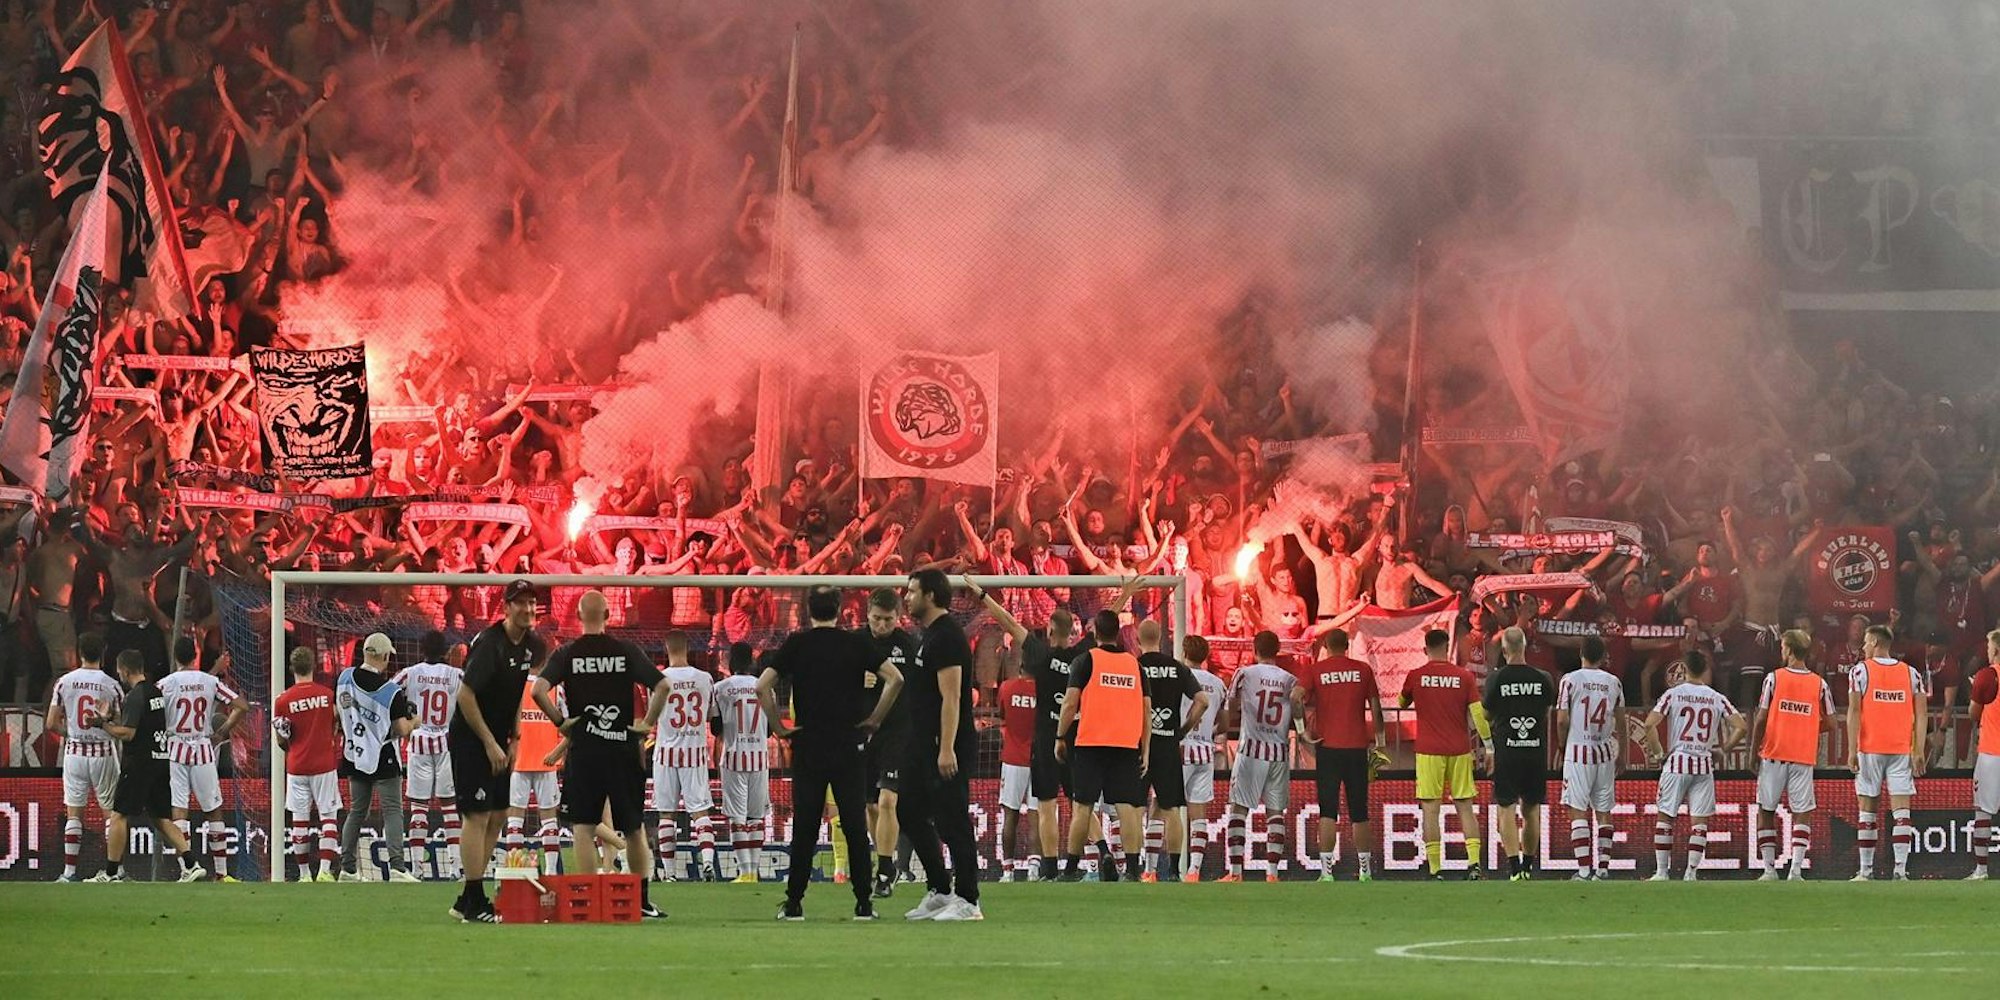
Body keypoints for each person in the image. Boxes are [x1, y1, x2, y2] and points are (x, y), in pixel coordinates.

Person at [759, 585, 903, 921]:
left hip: (809, 746)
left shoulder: (797, 644)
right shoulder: (856, 643)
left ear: (810, 610)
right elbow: (895, 679)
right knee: (853, 824)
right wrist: (874, 720)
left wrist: (778, 726)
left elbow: (761, 685)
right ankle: (864, 904)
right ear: (839, 610)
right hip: (847, 746)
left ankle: (794, 903)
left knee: (806, 826)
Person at [535, 591, 667, 918]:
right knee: (633, 828)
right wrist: (647, 723)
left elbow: (538, 690)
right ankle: (641, 900)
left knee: (583, 825)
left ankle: (587, 899)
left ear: (579, 617)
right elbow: (662, 686)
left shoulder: (567, 653)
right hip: (622, 749)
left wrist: (562, 723)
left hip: (585, 752)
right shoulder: (626, 651)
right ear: (608, 614)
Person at [447, 579, 547, 923]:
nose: (528, 609)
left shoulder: (532, 645)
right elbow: (465, 696)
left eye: (532, 603)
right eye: (520, 603)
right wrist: (490, 742)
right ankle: (475, 898)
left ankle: (467, 896)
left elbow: (517, 691)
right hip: (471, 737)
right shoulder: (491, 644)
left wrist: (515, 738)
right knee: (476, 815)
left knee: (499, 813)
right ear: (505, 607)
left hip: (500, 738)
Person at [897, 570, 983, 920]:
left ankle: (968, 899)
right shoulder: (928, 635)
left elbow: (952, 697)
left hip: (944, 744)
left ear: (930, 595)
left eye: (913, 591)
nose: (907, 597)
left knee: (952, 820)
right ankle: (940, 888)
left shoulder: (947, 636)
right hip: (922, 743)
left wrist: (946, 748)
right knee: (909, 811)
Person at [1055, 609, 1153, 884]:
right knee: (1127, 807)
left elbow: (1070, 701)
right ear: (1118, 633)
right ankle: (1133, 870)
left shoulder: (1085, 660)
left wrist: (1060, 736)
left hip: (1091, 743)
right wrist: (1145, 748)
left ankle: (1071, 869)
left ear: (1095, 632)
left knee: (1083, 806)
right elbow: (1147, 709)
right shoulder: (1135, 665)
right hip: (1125, 743)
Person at [1638, 649, 1743, 881]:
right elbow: (1741, 726)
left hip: (1677, 763)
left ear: (1684, 669)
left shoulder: (1673, 694)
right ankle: (1691, 872)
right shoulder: (1716, 697)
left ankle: (1662, 872)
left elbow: (1648, 725)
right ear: (1705, 670)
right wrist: (1723, 750)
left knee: (1666, 817)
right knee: (1699, 822)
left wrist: (1657, 753)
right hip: (1704, 764)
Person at [99, 651, 204, 882]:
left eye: (119, 670)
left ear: (125, 670)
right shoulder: (155, 692)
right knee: (162, 819)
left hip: (139, 764)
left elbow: (128, 733)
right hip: (160, 760)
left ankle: (110, 873)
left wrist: (102, 724)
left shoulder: (135, 696)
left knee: (118, 816)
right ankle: (191, 864)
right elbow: (143, 725)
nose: (119, 674)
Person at [1293, 627, 1382, 882]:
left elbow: (1295, 697)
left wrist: (1302, 732)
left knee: (1328, 811)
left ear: (1326, 647)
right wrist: (1381, 743)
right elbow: (1376, 708)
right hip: (1357, 748)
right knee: (1359, 811)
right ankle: (1365, 871)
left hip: (1328, 748)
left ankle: (1326, 872)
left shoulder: (1314, 670)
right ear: (1347, 646)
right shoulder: (1363, 670)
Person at [157, 636, 247, 882]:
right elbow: (241, 705)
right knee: (214, 811)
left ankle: (187, 869)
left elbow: (152, 708)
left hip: (175, 747)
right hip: (203, 747)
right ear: (194, 656)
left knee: (179, 810)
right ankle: (222, 873)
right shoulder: (210, 682)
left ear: (175, 656)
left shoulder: (165, 684)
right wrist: (222, 731)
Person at [1402, 629, 1490, 880]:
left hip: (1428, 750)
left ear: (1425, 649)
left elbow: (1400, 702)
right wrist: (1489, 746)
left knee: (1431, 809)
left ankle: (1434, 869)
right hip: (1460, 749)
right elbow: (1478, 715)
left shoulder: (1415, 676)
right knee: (1465, 806)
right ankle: (1474, 865)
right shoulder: (1463, 676)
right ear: (1448, 646)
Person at [1750, 629, 1835, 881]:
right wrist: (1808, 727)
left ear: (1788, 649)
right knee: (1802, 812)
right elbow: (1831, 722)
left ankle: (1769, 869)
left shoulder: (1774, 679)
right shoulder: (1819, 683)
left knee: (1766, 809)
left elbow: (1761, 717)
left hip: (1774, 752)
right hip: (1803, 755)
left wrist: (1753, 750)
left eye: (1783, 647)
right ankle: (1796, 870)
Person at [335, 633, 420, 882]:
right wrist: (415, 721)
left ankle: (348, 868)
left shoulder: (344, 678)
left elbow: (338, 711)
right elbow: (402, 730)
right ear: (384, 656)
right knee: (392, 810)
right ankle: (397, 867)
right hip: (383, 755)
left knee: (356, 811)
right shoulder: (390, 691)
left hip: (353, 751)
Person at [1846, 624, 1927, 881]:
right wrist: (1918, 749)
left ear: (1877, 643)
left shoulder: (1860, 671)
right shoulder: (1911, 674)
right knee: (1901, 811)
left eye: (1867, 643)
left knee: (1868, 809)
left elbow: (1854, 712)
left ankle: (1866, 871)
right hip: (1901, 749)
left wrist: (1851, 749)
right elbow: (1922, 713)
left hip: (1870, 748)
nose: (1863, 648)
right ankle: (1900, 871)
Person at [1219, 630, 1297, 883]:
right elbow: (1298, 711)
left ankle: (1236, 872)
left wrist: (1223, 727)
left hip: (1251, 750)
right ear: (1277, 651)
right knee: (1275, 812)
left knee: (1238, 809)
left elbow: (1230, 708)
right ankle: (1272, 874)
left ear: (1255, 650)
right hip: (1279, 752)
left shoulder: (1245, 673)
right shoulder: (1290, 680)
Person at [47, 632, 122, 882]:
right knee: (110, 814)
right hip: (102, 752)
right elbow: (120, 723)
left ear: (79, 652)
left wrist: (71, 733)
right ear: (103, 652)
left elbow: (51, 723)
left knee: (74, 815)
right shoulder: (111, 684)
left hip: (75, 753)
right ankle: (115, 870)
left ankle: (69, 873)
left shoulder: (64, 682)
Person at [1482, 627, 1554, 881]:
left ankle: (1513, 869)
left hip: (1507, 751)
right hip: (1535, 751)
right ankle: (1528, 866)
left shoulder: (1496, 679)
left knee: (1506, 808)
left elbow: (1487, 713)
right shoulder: (1543, 678)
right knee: (1531, 809)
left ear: (1504, 650)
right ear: (1524, 647)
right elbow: (1546, 710)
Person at [1133, 619, 1202, 884]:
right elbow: (1202, 701)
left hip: (1138, 746)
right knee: (1172, 808)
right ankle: (1174, 870)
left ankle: (1136, 867)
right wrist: (1182, 730)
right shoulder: (1177, 668)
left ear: (1138, 641)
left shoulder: (1135, 665)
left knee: (1135, 809)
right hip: (1168, 745)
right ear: (1161, 638)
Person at [860, 587, 917, 897]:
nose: (881, 626)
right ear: (867, 615)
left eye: (888, 620)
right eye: (876, 619)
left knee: (887, 801)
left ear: (899, 617)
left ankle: (884, 867)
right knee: (869, 806)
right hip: (864, 734)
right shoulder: (856, 644)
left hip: (898, 733)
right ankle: (887, 863)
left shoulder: (908, 645)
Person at [650, 632, 719, 882]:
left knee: (666, 814)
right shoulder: (705, 678)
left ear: (666, 648)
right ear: (688, 648)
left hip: (666, 754)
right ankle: (708, 865)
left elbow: (653, 715)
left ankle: (669, 873)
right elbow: (711, 715)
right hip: (695, 752)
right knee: (700, 812)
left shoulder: (658, 680)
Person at [1557, 636, 1625, 880]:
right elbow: (1621, 720)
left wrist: (1562, 745)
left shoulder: (1570, 680)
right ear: (1603, 656)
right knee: (1604, 811)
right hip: (1605, 752)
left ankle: (1584, 870)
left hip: (1578, 752)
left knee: (1577, 809)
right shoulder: (1614, 682)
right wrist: (1623, 753)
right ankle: (1603, 869)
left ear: (1581, 653)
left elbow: (1562, 719)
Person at [273, 647, 341, 882]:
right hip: (324, 763)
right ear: (314, 667)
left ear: (292, 668)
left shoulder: (282, 700)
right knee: (328, 817)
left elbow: (281, 740)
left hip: (297, 765)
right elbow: (336, 724)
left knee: (299, 820)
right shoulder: (327, 696)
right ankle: (324, 871)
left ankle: (303, 875)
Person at [397, 632, 461, 878]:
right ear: (446, 651)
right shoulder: (456, 675)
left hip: (418, 741)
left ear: (421, 649)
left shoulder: (410, 673)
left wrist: (404, 721)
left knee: (418, 808)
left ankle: (417, 869)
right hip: (446, 743)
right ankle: (456, 868)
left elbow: (390, 692)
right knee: (449, 806)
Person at [711, 642, 770, 884]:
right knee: (756, 816)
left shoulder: (720, 688)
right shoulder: (765, 687)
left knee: (737, 816)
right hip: (760, 758)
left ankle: (744, 871)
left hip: (734, 758)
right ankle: (754, 872)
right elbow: (767, 732)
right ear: (752, 662)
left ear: (730, 662)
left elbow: (715, 729)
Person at [507, 657, 565, 873]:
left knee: (515, 819)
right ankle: (551, 872)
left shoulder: (514, 687)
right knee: (549, 819)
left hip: (518, 762)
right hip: (546, 761)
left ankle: (515, 871)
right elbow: (569, 725)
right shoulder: (555, 689)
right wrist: (558, 752)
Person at [1179, 636, 1227, 882]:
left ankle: (1152, 869)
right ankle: (1193, 870)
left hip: (1180, 748)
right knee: (1199, 813)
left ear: (1184, 651)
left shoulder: (1178, 676)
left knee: (1161, 807)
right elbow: (1226, 722)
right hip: (1206, 751)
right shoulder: (1218, 684)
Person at [995, 650, 1040, 882]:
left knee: (1010, 816)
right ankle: (1034, 870)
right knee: (1036, 817)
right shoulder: (1044, 692)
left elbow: (1002, 715)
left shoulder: (1006, 688)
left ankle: (1008, 871)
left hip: (1013, 760)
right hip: (1038, 759)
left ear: (1021, 667)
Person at [1966, 629, 2000, 880]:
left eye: (1989, 647)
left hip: (1992, 752)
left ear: (1996, 650)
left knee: (1983, 812)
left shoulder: (1987, 676)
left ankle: (1981, 869)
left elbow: (1973, 713)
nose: (1987, 651)